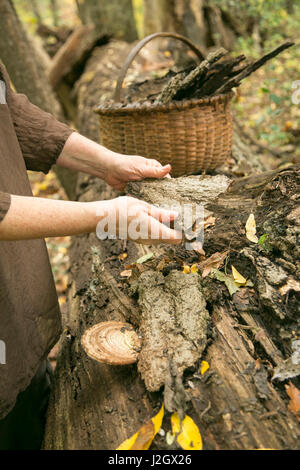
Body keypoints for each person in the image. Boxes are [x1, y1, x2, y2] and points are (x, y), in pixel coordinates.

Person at [0, 62, 181, 449]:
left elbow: (7, 108)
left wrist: (108, 163)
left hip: (13, 322)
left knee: (28, 407)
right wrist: (105, 216)